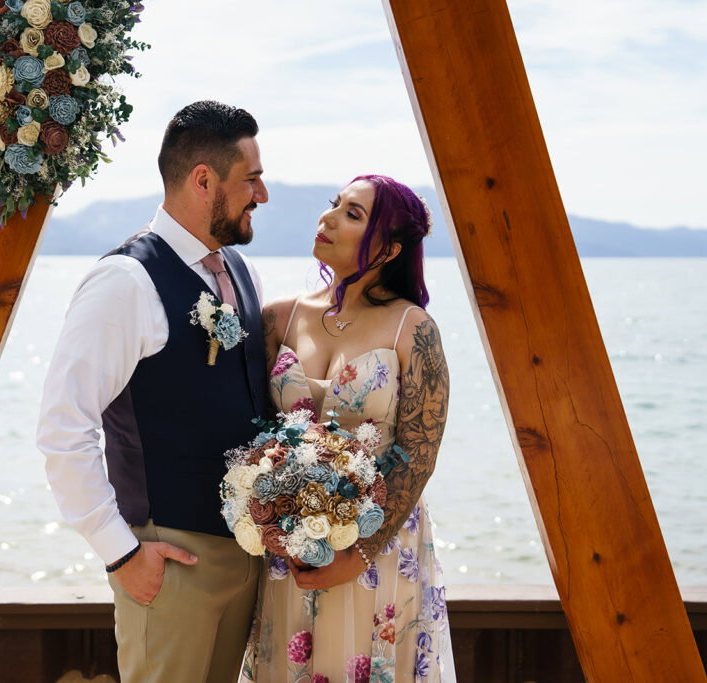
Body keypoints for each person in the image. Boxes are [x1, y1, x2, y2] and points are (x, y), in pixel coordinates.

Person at [37, 100, 270, 683]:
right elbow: (63, 427)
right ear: (203, 180)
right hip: (169, 560)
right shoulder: (125, 280)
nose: (261, 195)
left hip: (246, 558)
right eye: (252, 180)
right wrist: (120, 552)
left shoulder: (241, 273)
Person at [241, 175, 456, 682]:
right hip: (290, 548)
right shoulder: (278, 318)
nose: (329, 218)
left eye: (353, 214)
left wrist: (358, 554)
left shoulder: (413, 329)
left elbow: (419, 451)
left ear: (389, 248)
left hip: (376, 553)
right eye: (333, 205)